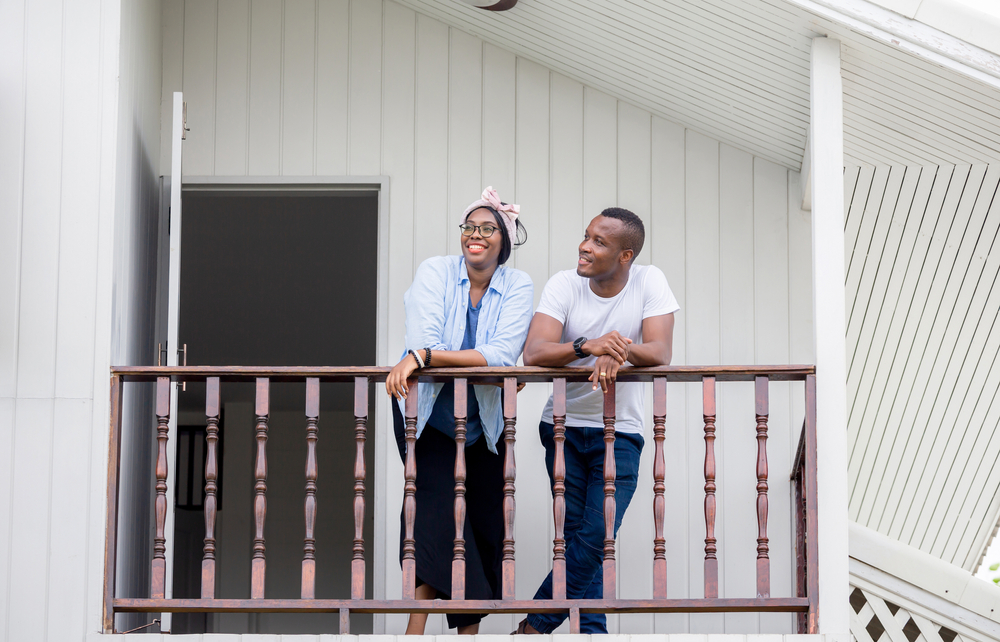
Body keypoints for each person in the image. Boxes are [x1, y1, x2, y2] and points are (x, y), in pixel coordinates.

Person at [515, 207, 678, 634]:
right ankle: (590, 630)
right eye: (586, 236)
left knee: (597, 534)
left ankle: (533, 627)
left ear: (626, 256)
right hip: (562, 428)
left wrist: (615, 351)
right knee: (578, 537)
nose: (585, 247)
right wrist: (589, 345)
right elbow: (535, 352)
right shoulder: (564, 284)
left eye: (599, 242)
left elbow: (660, 351)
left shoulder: (649, 280)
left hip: (620, 431)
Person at [385, 187, 533, 634]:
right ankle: (414, 631)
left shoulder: (517, 285)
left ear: (503, 242)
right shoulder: (435, 271)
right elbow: (426, 334)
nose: (476, 235)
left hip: (485, 422)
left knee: (485, 520)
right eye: (469, 226)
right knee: (432, 513)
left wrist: (425, 357)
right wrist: (428, 354)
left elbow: (503, 353)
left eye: (488, 229)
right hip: (425, 414)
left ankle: (467, 632)